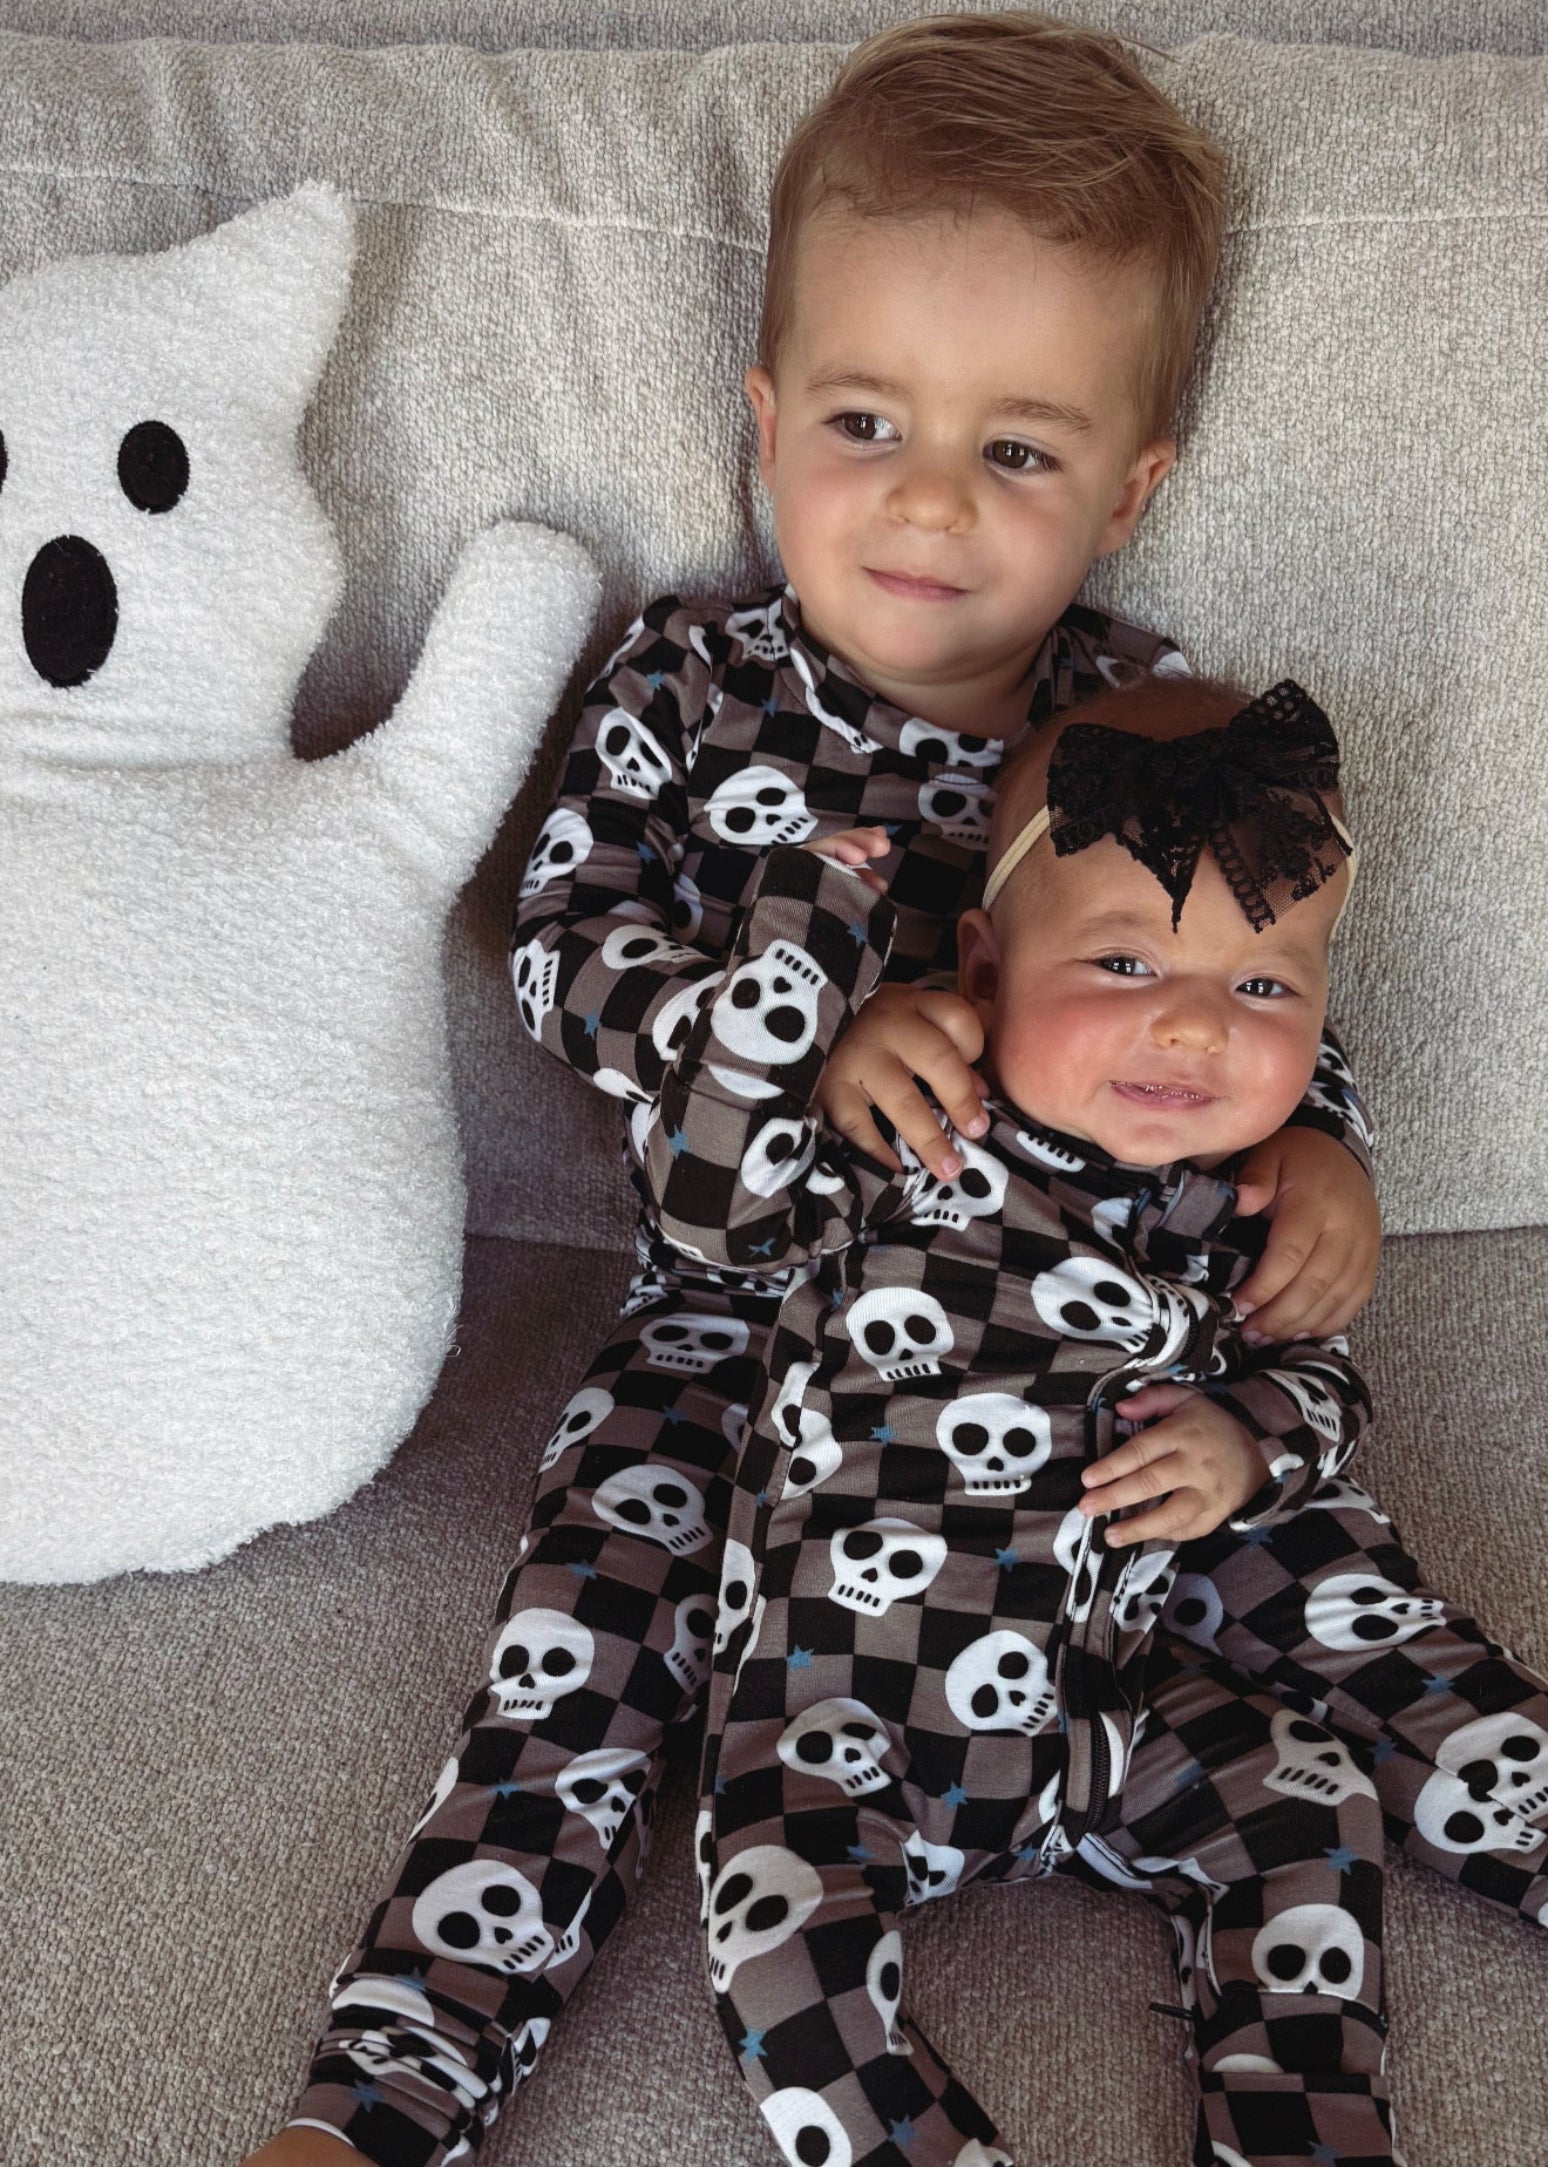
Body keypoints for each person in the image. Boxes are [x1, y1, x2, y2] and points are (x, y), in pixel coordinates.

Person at [242, 17, 1395, 2164]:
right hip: (728, 1325)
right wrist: (777, 1032)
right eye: (868, 423)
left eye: (1018, 450)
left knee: (1313, 1609)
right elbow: (568, 944)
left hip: (1073, 1357)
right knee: (579, 1665)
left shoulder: (1152, 727)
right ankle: (386, 2088)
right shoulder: (687, 689)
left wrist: (1319, 1136)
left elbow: (1257, 970)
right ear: (765, 420)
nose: (930, 500)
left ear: (1131, 488)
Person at [649, 676, 1394, 2167]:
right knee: (780, 1950)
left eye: (1265, 988)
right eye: (1123, 961)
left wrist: (1251, 1441)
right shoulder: (908, 1128)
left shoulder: (1235, 1199)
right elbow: (710, 1212)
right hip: (841, 1723)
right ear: (983, 966)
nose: (1194, 1026)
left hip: (1116, 1709)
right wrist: (816, 976)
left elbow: (1326, 1382)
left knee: (1316, 1808)